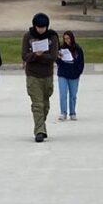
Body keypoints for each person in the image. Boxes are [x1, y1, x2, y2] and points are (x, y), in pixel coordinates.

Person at [21, 12, 58, 142]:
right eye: (38, 27)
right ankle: (40, 131)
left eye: (43, 27)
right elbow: (24, 56)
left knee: (45, 105)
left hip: (47, 75)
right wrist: (34, 55)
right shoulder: (28, 36)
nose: (41, 30)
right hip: (33, 75)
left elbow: (52, 57)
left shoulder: (52, 37)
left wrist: (41, 56)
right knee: (37, 104)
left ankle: (40, 125)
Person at [57, 30, 85, 121]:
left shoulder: (78, 49)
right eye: (65, 39)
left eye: (68, 38)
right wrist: (59, 58)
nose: (66, 41)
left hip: (74, 74)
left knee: (73, 94)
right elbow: (57, 61)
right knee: (63, 93)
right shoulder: (61, 48)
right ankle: (63, 112)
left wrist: (78, 72)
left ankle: (72, 112)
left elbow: (81, 62)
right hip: (63, 73)